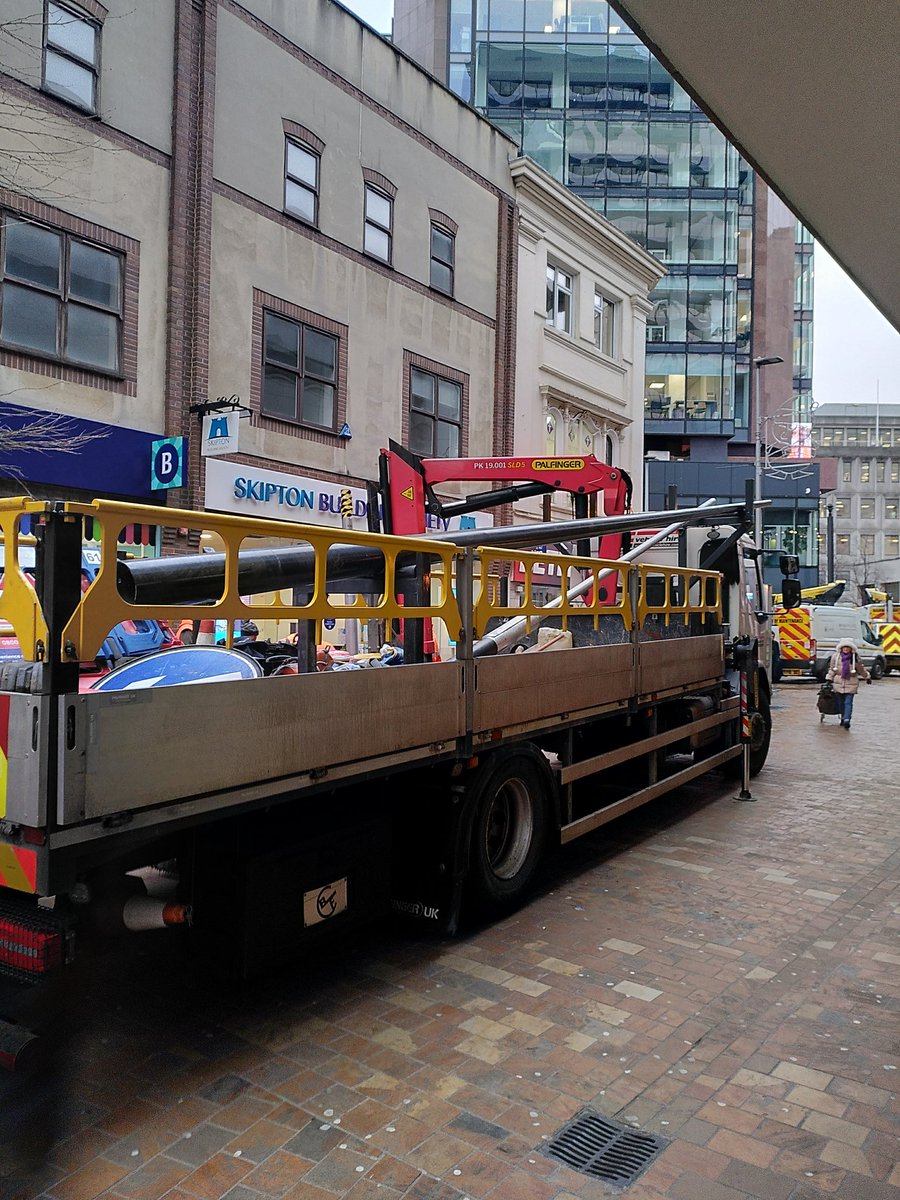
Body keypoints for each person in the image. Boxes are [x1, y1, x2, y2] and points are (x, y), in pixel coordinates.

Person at [825, 638, 871, 728]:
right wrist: (829, 678)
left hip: (851, 682)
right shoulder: (835, 657)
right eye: (844, 647)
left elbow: (861, 670)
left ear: (851, 649)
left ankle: (847, 719)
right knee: (840, 703)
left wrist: (867, 677)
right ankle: (843, 717)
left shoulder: (855, 658)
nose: (846, 649)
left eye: (848, 647)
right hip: (838, 683)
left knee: (848, 702)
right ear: (841, 648)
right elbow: (831, 669)